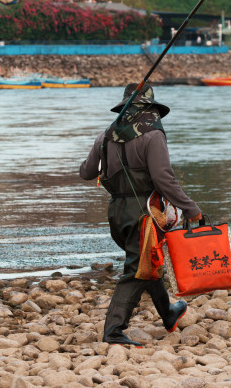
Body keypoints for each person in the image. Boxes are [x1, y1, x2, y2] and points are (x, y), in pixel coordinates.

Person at [80, 82, 202, 346]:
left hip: (117, 215)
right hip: (146, 215)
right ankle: (113, 330)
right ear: (150, 109)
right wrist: (190, 208)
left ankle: (169, 313)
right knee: (137, 269)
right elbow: (164, 179)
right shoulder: (153, 135)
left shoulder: (105, 136)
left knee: (145, 262)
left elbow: (86, 172)